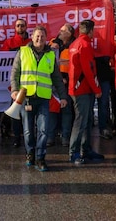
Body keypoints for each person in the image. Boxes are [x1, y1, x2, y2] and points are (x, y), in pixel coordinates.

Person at [10, 26, 68, 172]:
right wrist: (15, 90)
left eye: (42, 36)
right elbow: (15, 73)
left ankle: (41, 158)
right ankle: (30, 154)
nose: (39, 39)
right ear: (32, 37)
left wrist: (63, 96)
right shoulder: (23, 51)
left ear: (46, 38)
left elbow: (56, 78)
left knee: (43, 130)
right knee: (28, 130)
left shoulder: (50, 55)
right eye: (37, 36)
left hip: (43, 98)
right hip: (26, 98)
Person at [68, 19, 104, 165]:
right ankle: (74, 153)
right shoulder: (85, 45)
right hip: (82, 88)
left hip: (78, 87)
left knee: (86, 120)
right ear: (90, 31)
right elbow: (89, 70)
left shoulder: (75, 44)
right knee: (81, 121)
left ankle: (86, 149)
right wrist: (97, 89)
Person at [0, 18, 31, 147]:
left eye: (22, 25)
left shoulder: (30, 43)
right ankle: (17, 136)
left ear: (25, 27)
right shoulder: (9, 42)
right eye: (18, 25)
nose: (20, 28)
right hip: (15, 84)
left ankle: (28, 137)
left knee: (28, 113)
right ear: (15, 28)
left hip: (29, 83)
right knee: (16, 112)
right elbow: (0, 60)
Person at [48, 24, 76, 147]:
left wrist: (67, 79)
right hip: (53, 82)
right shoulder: (53, 42)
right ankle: (50, 137)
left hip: (68, 82)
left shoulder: (74, 45)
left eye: (63, 30)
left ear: (69, 33)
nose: (60, 31)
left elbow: (76, 64)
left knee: (66, 110)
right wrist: (50, 47)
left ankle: (65, 136)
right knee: (52, 110)